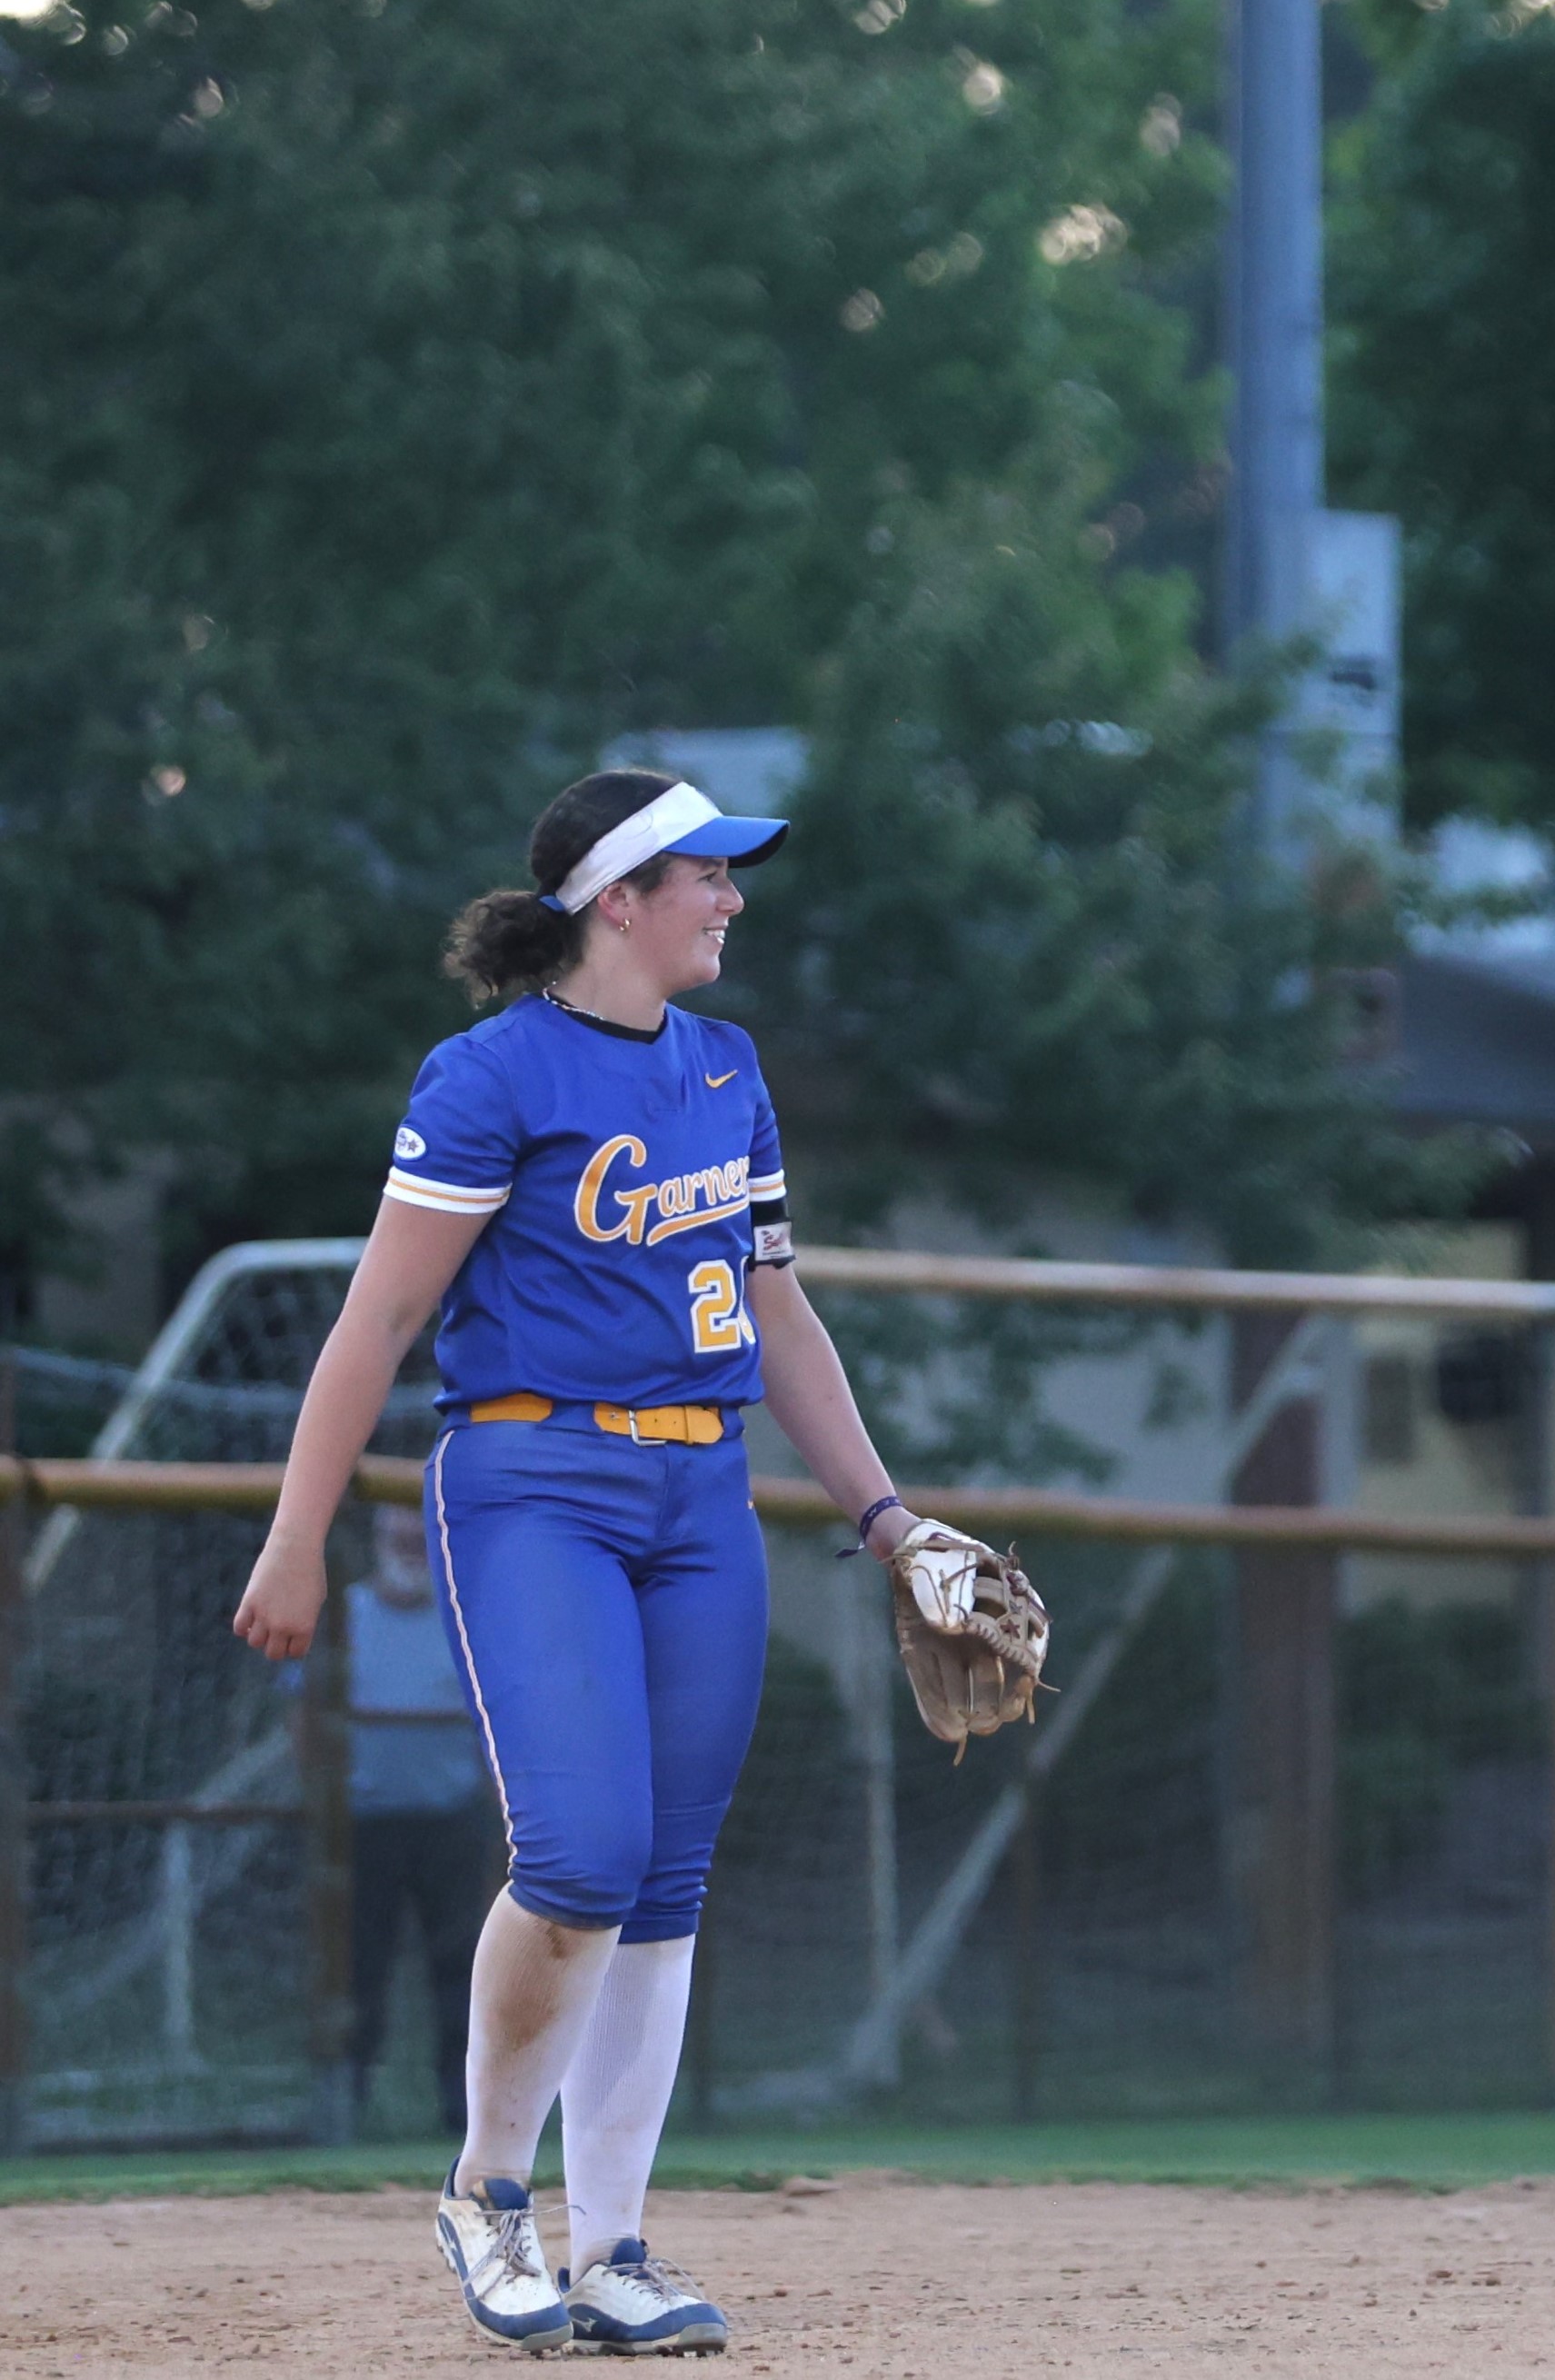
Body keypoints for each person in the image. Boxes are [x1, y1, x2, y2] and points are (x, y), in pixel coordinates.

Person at [230, 768, 991, 2356]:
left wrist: (887, 1518)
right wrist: (298, 1535)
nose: (731, 898)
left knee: (661, 1885)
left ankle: (613, 2246)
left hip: (702, 1497)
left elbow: (777, 1313)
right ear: (616, 900)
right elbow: (380, 1317)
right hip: (534, 1483)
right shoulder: (491, 1073)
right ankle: (488, 2193)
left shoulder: (725, 1066)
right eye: (704, 873)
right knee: (579, 1855)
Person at [342, 1499, 498, 2138]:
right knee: (357, 1970)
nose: (408, 1544)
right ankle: (342, 2110)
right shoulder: (344, 1615)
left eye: (419, 1534)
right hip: (362, 1827)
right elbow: (305, 1719)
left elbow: (494, 1724)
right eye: (397, 1532)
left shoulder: (466, 1619)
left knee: (463, 1970)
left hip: (452, 1824)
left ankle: (465, 2118)